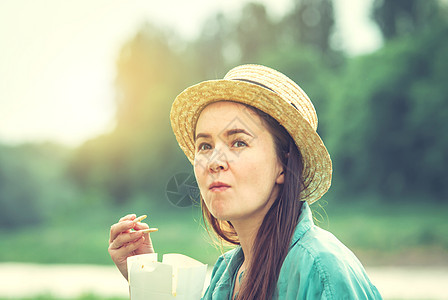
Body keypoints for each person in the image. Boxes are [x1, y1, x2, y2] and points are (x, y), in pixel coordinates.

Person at [108, 64, 382, 299]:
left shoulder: (322, 271)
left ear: (283, 165)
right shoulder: (226, 272)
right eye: (204, 145)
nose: (214, 161)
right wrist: (143, 275)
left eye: (238, 142)